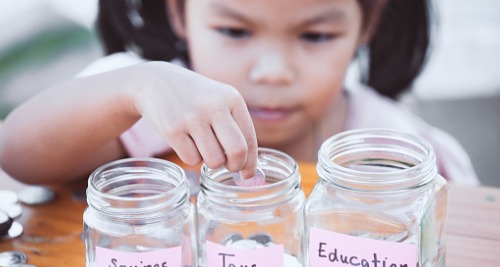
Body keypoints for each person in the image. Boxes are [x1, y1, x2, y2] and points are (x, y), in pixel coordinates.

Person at [0, 0, 479, 185]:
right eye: (234, 30)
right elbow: (15, 152)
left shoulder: (396, 148)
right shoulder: (139, 105)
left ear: (366, 25)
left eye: (314, 36)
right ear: (179, 14)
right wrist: (134, 86)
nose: (272, 72)